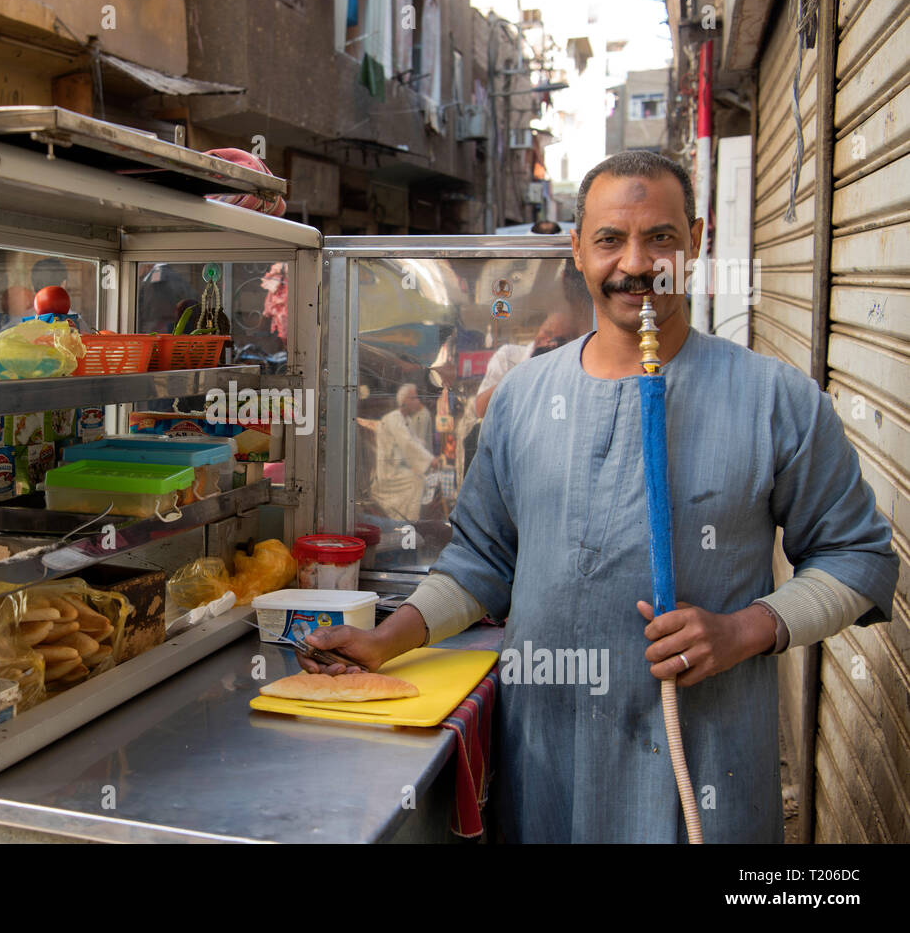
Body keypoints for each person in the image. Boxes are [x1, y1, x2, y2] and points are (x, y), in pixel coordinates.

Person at [300, 150, 899, 843]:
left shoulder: (774, 398)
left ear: (697, 243)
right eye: (611, 239)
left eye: (662, 238)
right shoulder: (524, 397)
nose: (636, 264)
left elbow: (858, 557)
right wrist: (383, 641)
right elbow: (480, 563)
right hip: (548, 772)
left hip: (701, 775)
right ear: (578, 249)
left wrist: (744, 630)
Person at [370, 383, 441, 522]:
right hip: (388, 472)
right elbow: (408, 444)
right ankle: (407, 521)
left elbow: (414, 443)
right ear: (405, 401)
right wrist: (430, 460)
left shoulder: (405, 419)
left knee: (421, 478)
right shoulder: (394, 418)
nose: (418, 402)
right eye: (414, 398)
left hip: (398, 468)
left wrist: (429, 456)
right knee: (416, 481)